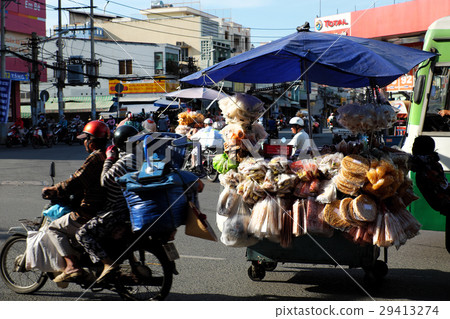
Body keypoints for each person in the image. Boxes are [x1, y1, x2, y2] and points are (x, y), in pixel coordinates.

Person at [42, 120, 109, 282]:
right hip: (105, 206)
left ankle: (71, 266)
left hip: (90, 210)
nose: (83, 143)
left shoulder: (95, 159)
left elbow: (76, 181)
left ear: (92, 142)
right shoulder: (108, 154)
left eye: (85, 139)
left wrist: (54, 190)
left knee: (54, 228)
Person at [76, 125, 139, 282]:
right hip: (130, 210)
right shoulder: (140, 158)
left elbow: (105, 181)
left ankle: (107, 264)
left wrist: (110, 159)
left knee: (82, 234)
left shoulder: (125, 162)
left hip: (116, 212)